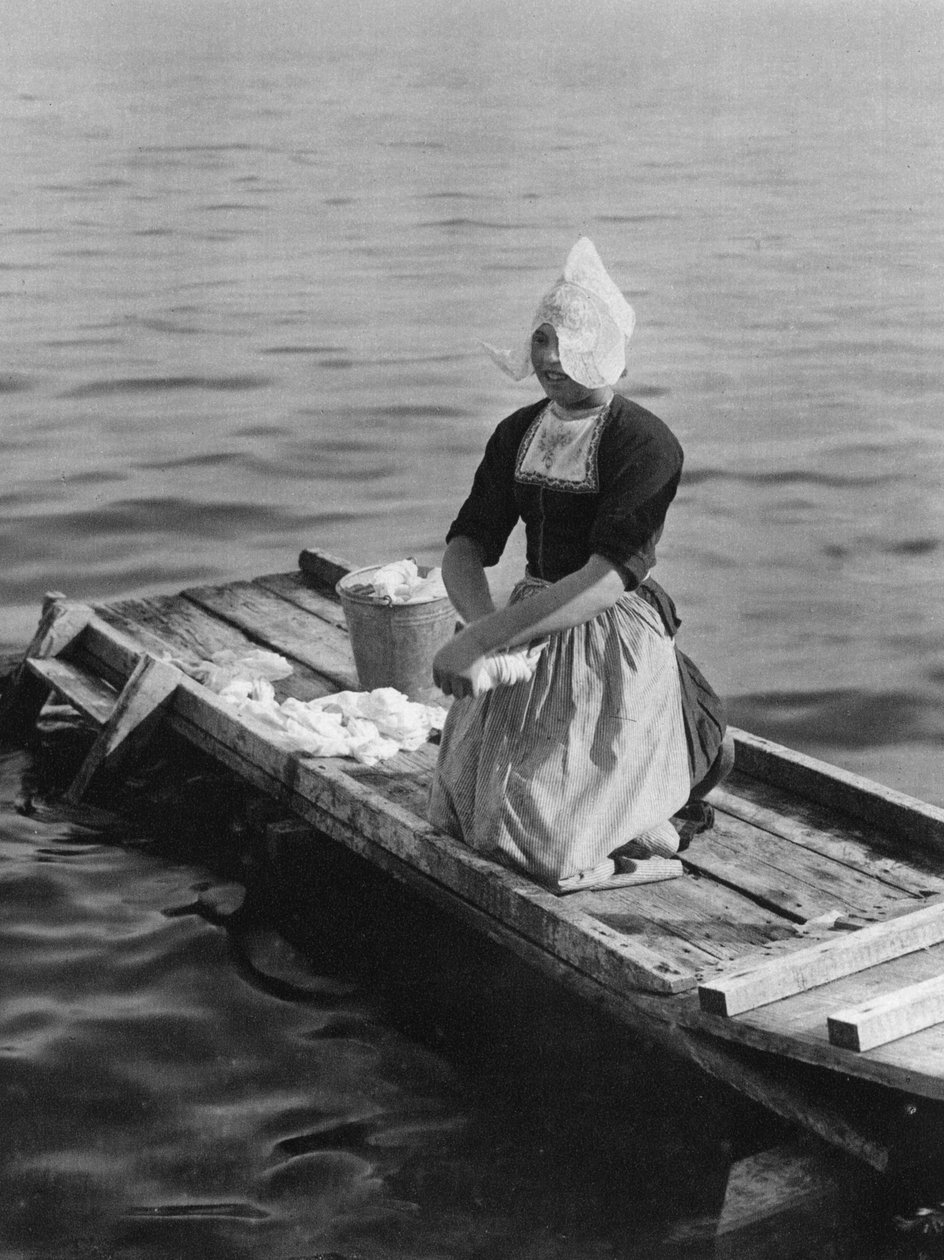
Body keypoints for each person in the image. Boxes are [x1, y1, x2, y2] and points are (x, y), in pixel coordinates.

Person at [428, 238, 729, 893]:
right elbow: (467, 545)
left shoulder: (644, 443)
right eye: (541, 340)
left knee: (549, 846)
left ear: (606, 349)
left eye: (566, 342)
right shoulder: (518, 432)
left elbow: (609, 575)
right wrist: (486, 634)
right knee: (463, 817)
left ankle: (680, 770)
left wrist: (486, 639)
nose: (548, 359)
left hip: (607, 627)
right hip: (525, 624)